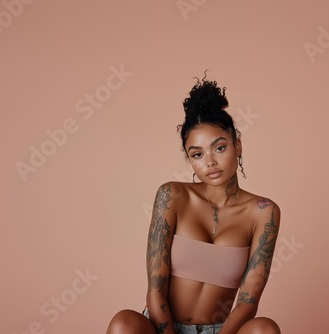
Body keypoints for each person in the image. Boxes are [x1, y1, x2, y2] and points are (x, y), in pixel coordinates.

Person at [106, 74, 281, 334]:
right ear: (190, 159)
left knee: (265, 329)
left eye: (219, 148)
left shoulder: (264, 212)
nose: (209, 162)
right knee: (123, 323)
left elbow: (248, 300)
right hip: (162, 329)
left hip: (223, 331)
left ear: (238, 146)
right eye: (197, 154)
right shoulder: (172, 196)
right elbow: (155, 290)